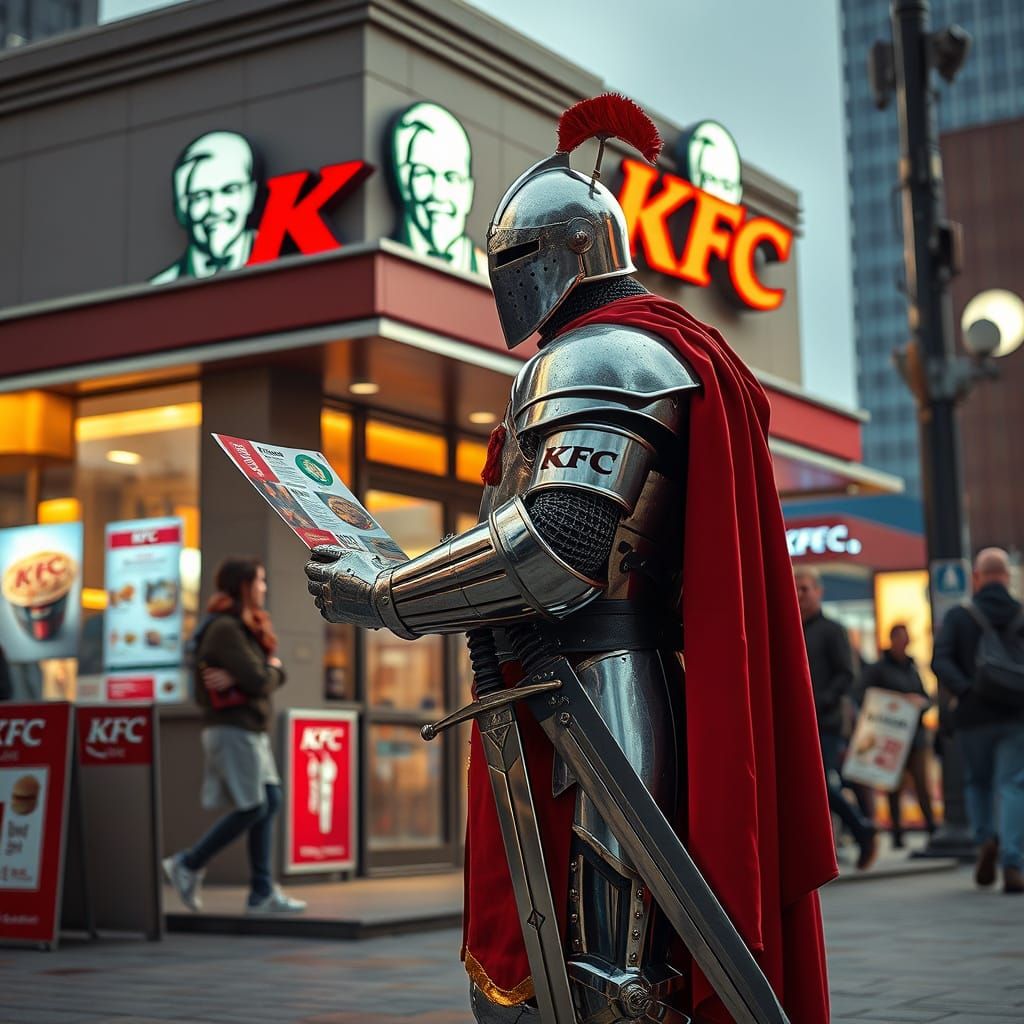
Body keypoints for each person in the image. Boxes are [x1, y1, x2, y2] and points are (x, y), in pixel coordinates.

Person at [306, 94, 836, 1024]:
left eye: (509, 262)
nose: (501, 284)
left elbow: (561, 548)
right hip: (578, 687)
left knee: (608, 982)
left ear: (560, 255)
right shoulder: (654, 345)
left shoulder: (601, 357)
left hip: (596, 692)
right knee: (590, 966)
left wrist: (384, 593)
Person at [163, 557, 306, 915]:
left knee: (269, 801)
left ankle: (261, 893)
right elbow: (260, 679)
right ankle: (188, 862)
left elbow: (255, 677)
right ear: (244, 585)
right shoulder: (226, 629)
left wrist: (258, 672)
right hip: (232, 729)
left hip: (248, 729)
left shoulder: (245, 627)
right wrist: (271, 668)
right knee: (255, 805)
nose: (264, 587)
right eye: (259, 580)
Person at [932, 547, 1024, 895]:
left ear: (977, 577)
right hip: (1016, 715)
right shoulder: (1020, 613)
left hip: (972, 718)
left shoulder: (960, 616)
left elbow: (940, 660)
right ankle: (1013, 861)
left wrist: (966, 690)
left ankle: (985, 839)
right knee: (1014, 785)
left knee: (978, 782)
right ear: (1007, 576)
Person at [795, 565, 879, 870]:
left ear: (819, 591)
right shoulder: (790, 628)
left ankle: (861, 829)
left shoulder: (833, 630)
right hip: (796, 724)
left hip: (826, 723)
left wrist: (820, 702)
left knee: (821, 785)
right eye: (796, 588)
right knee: (808, 787)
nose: (801, 594)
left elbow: (847, 674)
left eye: (806, 588)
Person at [860, 623, 935, 847]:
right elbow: (864, 695)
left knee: (922, 784)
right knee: (893, 784)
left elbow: (925, 699)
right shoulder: (878, 669)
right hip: (890, 736)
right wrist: (895, 702)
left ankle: (931, 828)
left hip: (915, 736)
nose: (904, 643)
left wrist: (921, 703)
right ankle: (897, 833)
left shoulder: (912, 669)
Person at [151, 130, 260, 283]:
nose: (216, 208)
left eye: (229, 190)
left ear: (251, 193)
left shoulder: (284, 272)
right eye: (200, 196)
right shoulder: (160, 290)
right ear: (181, 208)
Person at [388, 102, 483, 274]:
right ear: (405, 183)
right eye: (424, 174)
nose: (438, 193)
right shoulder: (385, 266)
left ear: (468, 192)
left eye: (451, 177)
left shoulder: (493, 279)